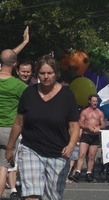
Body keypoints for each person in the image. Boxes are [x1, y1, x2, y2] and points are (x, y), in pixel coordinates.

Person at [5, 55, 80, 200]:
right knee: (31, 193)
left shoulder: (66, 95)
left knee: (52, 196)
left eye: (49, 73)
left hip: (58, 152)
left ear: (56, 74)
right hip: (31, 149)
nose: (46, 77)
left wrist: (71, 145)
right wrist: (10, 148)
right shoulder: (29, 94)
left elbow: (74, 126)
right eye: (42, 73)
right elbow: (19, 122)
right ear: (37, 74)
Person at [0, 25, 29, 198]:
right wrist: (25, 41)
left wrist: (24, 42)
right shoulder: (20, 86)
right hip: (8, 130)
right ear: (16, 65)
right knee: (3, 166)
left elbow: (7, 57)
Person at [71, 94, 106, 183]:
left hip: (94, 136)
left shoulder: (100, 112)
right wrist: (88, 127)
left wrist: (99, 128)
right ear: (89, 101)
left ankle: (89, 173)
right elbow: (80, 123)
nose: (95, 103)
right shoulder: (84, 112)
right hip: (86, 135)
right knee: (81, 154)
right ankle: (77, 172)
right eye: (93, 101)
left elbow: (103, 124)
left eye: (96, 101)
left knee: (92, 156)